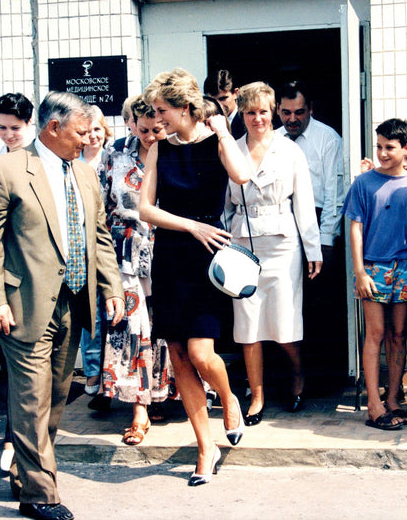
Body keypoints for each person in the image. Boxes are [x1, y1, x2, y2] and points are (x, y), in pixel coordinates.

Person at [0, 91, 125, 520]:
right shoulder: (6, 168)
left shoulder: (85, 174)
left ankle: (25, 476)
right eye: (80, 131)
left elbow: (99, 236)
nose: (87, 139)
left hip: (73, 303)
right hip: (22, 306)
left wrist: (111, 288)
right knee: (31, 399)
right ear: (53, 128)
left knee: (56, 396)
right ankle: (40, 495)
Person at [139, 68, 251, 486]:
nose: (157, 119)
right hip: (172, 255)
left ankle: (228, 397)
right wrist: (191, 225)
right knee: (179, 357)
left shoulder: (215, 143)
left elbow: (242, 175)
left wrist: (223, 130)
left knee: (203, 354)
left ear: (186, 109)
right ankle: (206, 447)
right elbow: (145, 210)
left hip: (209, 260)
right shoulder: (159, 150)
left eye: (162, 110)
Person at [224, 82, 321, 424]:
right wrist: (224, 246)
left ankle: (297, 374)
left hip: (282, 245)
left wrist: (313, 249)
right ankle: (257, 394)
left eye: (263, 111)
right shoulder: (230, 148)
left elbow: (304, 202)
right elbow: (224, 206)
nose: (256, 119)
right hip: (244, 247)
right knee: (248, 325)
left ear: (273, 112)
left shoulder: (290, 149)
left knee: (284, 322)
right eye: (249, 112)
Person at [342, 118, 407, 430]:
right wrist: (359, 271)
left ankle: (393, 399)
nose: (382, 153)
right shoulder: (363, 183)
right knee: (376, 334)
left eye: (389, 148)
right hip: (372, 268)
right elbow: (355, 227)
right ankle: (373, 403)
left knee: (399, 335)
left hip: (406, 269)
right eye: (379, 146)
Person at [100, 98, 172, 445]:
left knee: (162, 326)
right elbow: (101, 206)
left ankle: (158, 394)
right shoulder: (114, 153)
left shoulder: (175, 150)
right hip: (124, 250)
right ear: (131, 123)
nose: (149, 136)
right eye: (142, 129)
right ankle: (138, 409)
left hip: (166, 250)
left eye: (156, 129)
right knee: (132, 328)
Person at [276, 80, 347, 392]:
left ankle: (322, 379)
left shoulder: (327, 138)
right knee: (286, 303)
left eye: (300, 112)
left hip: (319, 224)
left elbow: (335, 192)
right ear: (277, 110)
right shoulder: (271, 139)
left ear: (311, 110)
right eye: (286, 112)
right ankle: (288, 375)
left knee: (317, 305)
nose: (293, 119)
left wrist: (327, 239)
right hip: (282, 224)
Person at [0, 93, 35, 471]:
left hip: (38, 278)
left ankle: (24, 444)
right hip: (6, 278)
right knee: (12, 370)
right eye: (2, 128)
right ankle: (9, 439)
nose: (7, 134)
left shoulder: (40, 158)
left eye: (14, 128)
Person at [78, 104, 113, 407]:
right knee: (90, 313)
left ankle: (111, 374)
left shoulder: (113, 159)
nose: (92, 136)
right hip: (82, 246)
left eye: (97, 129)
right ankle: (92, 372)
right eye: (87, 131)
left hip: (111, 243)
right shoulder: (72, 163)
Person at [0, 92, 35, 157]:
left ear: (29, 122)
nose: (9, 136)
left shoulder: (40, 156)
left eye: (15, 128)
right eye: (2, 127)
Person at [204, 69, 245, 139]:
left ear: (236, 93)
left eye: (223, 98)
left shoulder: (246, 121)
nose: (218, 105)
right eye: (212, 100)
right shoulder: (203, 124)